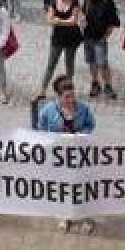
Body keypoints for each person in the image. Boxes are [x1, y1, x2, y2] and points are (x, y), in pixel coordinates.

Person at [35, 75, 96, 234]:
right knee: (63, 186)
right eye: (67, 97)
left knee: (82, 186)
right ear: (58, 96)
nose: (71, 99)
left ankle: (85, 217)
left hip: (80, 154)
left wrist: (81, 135)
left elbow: (91, 125)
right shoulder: (49, 110)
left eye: (73, 95)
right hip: (59, 156)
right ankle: (65, 215)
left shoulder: (83, 108)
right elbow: (40, 128)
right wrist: (51, 140)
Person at [38, 0, 84, 100]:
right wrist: (61, 21)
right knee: (51, 64)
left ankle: (69, 90)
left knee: (69, 64)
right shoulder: (53, 2)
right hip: (57, 38)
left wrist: (58, 21)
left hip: (71, 38)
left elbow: (73, 21)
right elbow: (49, 20)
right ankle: (42, 90)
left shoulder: (74, 3)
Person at [81, 0, 119, 99]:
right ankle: (95, 83)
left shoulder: (107, 2)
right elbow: (83, 14)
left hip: (100, 38)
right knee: (91, 61)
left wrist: (105, 37)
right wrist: (82, 21)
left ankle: (108, 86)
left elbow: (113, 22)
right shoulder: (87, 0)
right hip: (88, 37)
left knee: (103, 63)